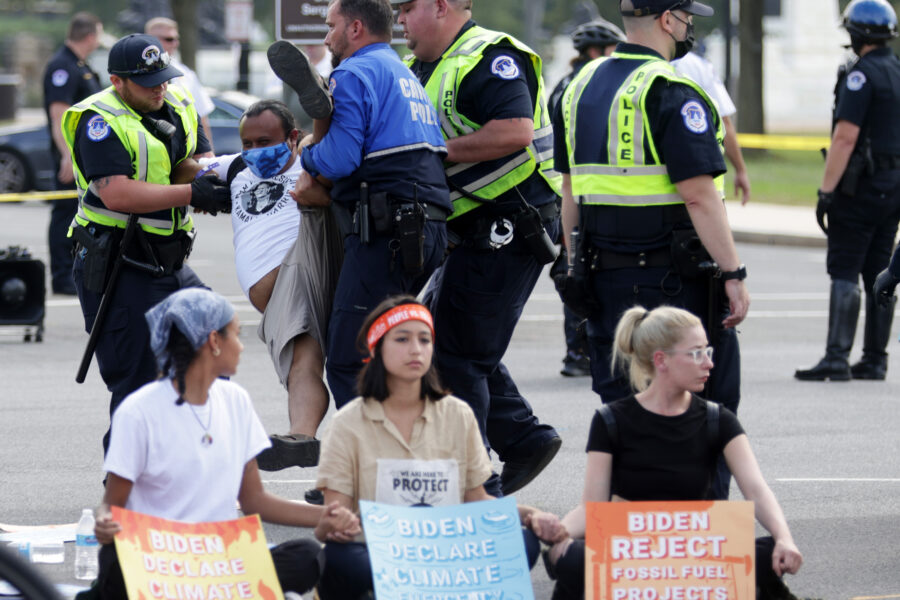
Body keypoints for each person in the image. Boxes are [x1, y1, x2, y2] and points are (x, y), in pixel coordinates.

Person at [554, 0, 749, 500]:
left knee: (625, 407)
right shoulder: (672, 89)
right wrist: (733, 271)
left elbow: (570, 191)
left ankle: (632, 545)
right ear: (668, 19)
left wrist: (575, 266)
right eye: (687, 16)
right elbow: (699, 194)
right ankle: (692, 539)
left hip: (601, 276)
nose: (689, 26)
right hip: (672, 283)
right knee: (705, 405)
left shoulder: (577, 87)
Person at [393, 0, 562, 497]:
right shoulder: (418, 66)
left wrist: (429, 151)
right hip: (469, 227)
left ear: (441, 6)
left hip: (509, 224)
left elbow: (514, 132)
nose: (400, 20)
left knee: (457, 354)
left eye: (406, 9)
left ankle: (473, 482)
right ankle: (525, 439)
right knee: (453, 343)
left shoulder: (488, 56)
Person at [90, 288, 359, 599]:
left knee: (308, 555)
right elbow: (112, 506)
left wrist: (325, 515)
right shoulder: (139, 412)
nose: (242, 347)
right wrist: (104, 523)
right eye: (237, 334)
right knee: (117, 567)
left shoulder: (235, 401)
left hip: (217, 561)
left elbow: (255, 501)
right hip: (161, 559)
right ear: (214, 342)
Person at [313, 296, 567, 599]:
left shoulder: (457, 414)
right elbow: (332, 517)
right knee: (338, 560)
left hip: (446, 553)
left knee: (521, 542)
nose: (416, 349)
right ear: (376, 349)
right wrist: (333, 525)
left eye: (424, 339)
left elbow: (477, 499)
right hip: (379, 550)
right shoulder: (347, 423)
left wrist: (530, 515)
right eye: (402, 339)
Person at [544, 306, 803, 600]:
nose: (708, 363)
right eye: (695, 353)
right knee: (572, 559)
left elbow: (756, 489)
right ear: (661, 360)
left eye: (708, 351)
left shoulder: (718, 419)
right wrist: (558, 535)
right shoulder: (611, 420)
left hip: (694, 556)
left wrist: (785, 538)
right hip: (633, 557)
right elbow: (592, 508)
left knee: (769, 552)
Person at [267, 0, 452, 408]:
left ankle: (375, 459)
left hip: (386, 231)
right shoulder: (404, 74)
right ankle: (408, 449)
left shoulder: (352, 72)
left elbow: (340, 159)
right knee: (396, 353)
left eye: (331, 27)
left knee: (351, 359)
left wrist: (307, 155)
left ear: (354, 28)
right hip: (428, 229)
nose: (327, 37)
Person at [63, 33, 231, 454]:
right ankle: (121, 498)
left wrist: (224, 174)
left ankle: (183, 461)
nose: (161, 87)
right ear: (118, 82)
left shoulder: (174, 102)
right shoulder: (97, 120)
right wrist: (194, 194)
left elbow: (186, 164)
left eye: (164, 77)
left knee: (217, 338)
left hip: (167, 262)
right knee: (136, 385)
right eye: (148, 81)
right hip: (120, 263)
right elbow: (117, 193)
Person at [196, 100, 342, 470]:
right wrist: (199, 186)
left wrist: (311, 144)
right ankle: (303, 439)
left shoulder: (308, 164)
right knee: (302, 363)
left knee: (303, 363)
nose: (256, 151)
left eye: (266, 141)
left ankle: (302, 435)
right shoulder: (239, 169)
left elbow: (323, 158)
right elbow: (188, 169)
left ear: (291, 138)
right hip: (277, 298)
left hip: (303, 264)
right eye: (248, 143)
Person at [795, 0, 900, 382]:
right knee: (879, 269)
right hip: (893, 186)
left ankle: (836, 358)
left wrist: (826, 192)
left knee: (844, 268)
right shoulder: (897, 70)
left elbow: (844, 138)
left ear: (858, 34)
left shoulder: (861, 76)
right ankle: (875, 359)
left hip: (860, 187)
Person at [548, 17, 625, 378]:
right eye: (611, 49)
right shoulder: (586, 85)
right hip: (576, 191)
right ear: (595, 51)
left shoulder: (565, 84)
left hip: (564, 189)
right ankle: (579, 353)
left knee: (574, 268)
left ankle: (576, 352)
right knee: (576, 270)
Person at [42, 12, 103, 295]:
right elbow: (59, 114)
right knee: (65, 212)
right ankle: (61, 276)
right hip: (72, 156)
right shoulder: (62, 66)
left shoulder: (80, 65)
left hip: (84, 155)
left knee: (78, 212)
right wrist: (66, 155)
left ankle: (75, 272)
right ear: (90, 35)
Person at [673, 47, 751, 205]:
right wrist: (741, 170)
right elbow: (724, 123)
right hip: (698, 180)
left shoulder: (630, 66)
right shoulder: (698, 66)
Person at [145, 17, 216, 155]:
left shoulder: (185, 74)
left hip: (183, 148)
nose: (175, 44)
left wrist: (209, 155)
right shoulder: (137, 74)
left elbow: (201, 116)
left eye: (177, 39)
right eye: (169, 39)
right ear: (151, 39)